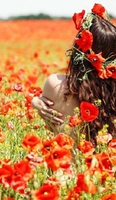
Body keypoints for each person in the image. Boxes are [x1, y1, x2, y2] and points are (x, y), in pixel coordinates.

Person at [32, 3, 116, 144]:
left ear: (79, 47)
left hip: (63, 165)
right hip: (105, 166)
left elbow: (54, 128)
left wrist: (34, 101)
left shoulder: (55, 85)